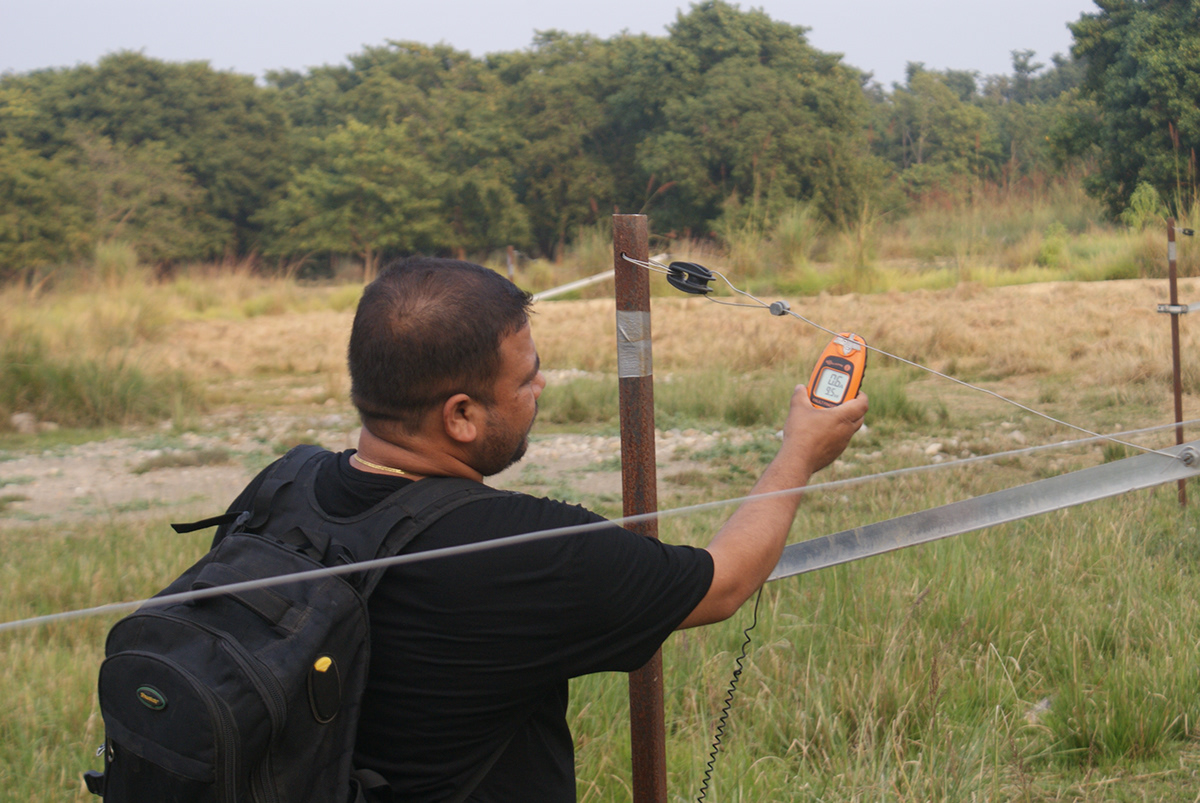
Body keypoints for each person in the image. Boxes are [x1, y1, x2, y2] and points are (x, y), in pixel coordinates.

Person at [219, 256, 867, 802]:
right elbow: (723, 583)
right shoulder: (522, 550)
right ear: (463, 414)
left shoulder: (282, 485)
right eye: (526, 377)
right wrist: (799, 454)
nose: (542, 386)